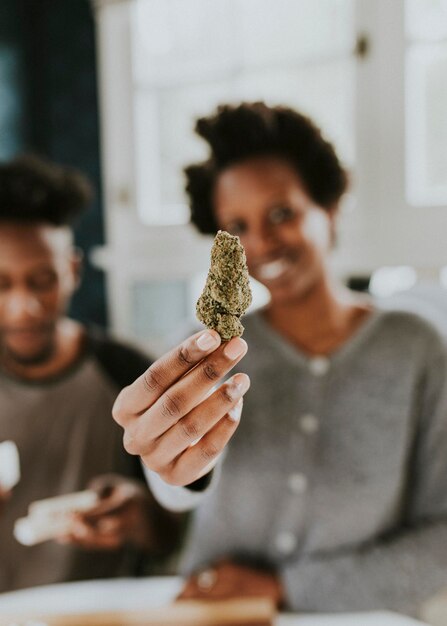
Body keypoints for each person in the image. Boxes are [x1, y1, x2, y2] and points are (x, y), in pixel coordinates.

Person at [113, 102, 447, 617]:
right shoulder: (205, 348)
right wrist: (171, 466)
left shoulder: (416, 348)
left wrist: (282, 587)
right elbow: (178, 492)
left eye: (282, 213)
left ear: (330, 209)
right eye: (237, 226)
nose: (262, 241)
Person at [0, 154, 179, 592]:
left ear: (73, 272)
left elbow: (173, 537)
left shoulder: (132, 377)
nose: (24, 306)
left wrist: (142, 519)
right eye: (0, 284)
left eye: (42, 279)